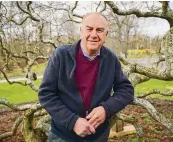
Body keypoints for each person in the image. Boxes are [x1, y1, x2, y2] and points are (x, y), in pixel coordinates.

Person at [38, 12, 134, 142]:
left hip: (97, 136)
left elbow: (126, 90)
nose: (94, 35)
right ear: (81, 31)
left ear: (106, 34)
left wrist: (106, 109)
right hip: (62, 136)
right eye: (89, 29)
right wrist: (73, 121)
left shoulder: (111, 59)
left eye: (100, 30)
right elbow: (46, 94)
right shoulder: (61, 55)